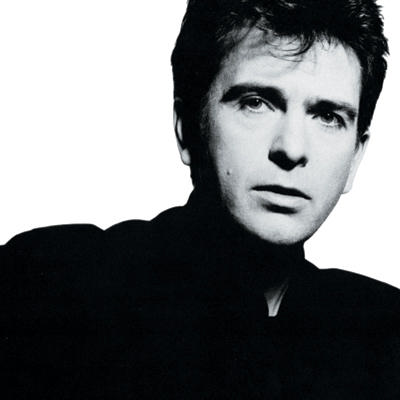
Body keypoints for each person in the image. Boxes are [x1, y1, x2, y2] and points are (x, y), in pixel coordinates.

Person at [1, 0, 399, 398]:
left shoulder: (384, 333)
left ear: (355, 157)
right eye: (255, 102)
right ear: (188, 128)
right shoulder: (51, 288)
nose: (291, 148)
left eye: (328, 116)